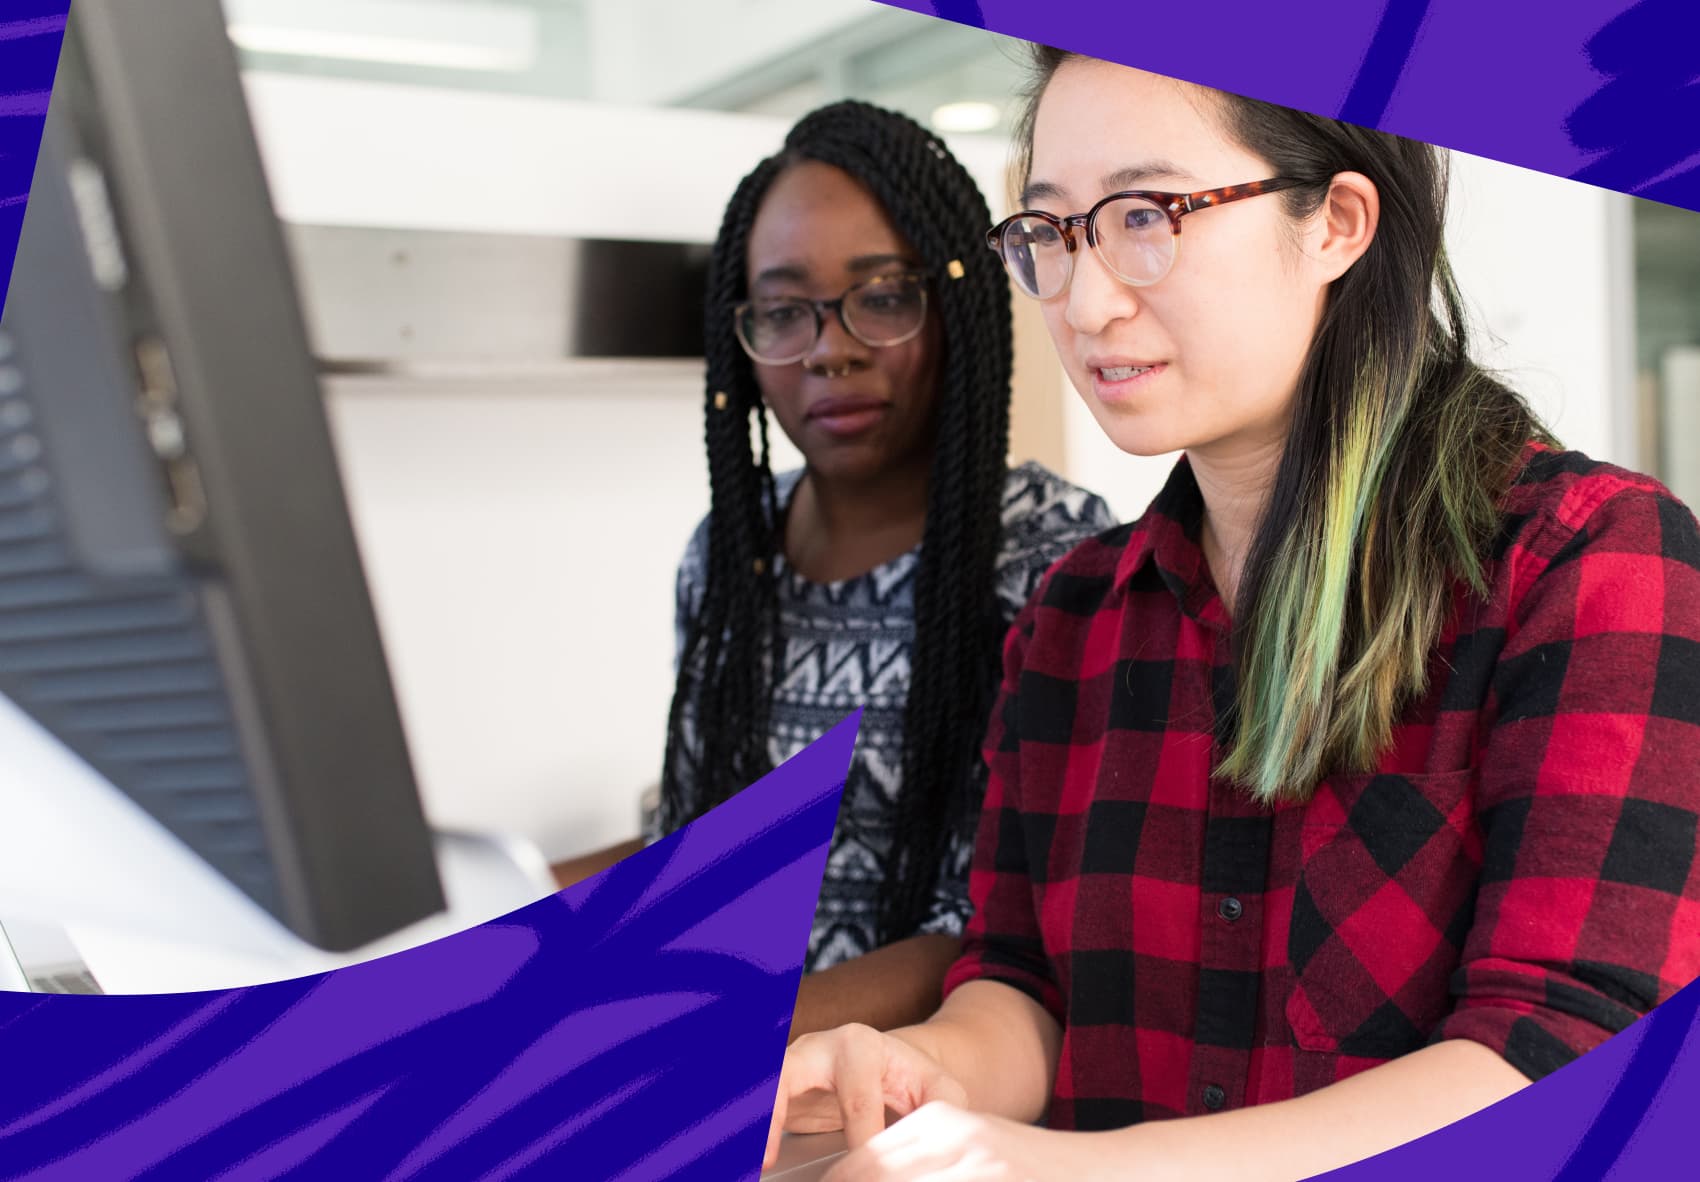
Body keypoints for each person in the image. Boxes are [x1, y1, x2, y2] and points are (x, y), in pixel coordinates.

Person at [764, 46, 1700, 1181]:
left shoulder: (1587, 560)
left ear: (1336, 224)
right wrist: (920, 1080)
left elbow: (1558, 1056)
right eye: (1053, 233)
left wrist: (1043, 1169)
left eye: (1145, 216)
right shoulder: (1073, 613)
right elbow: (1019, 985)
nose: (1086, 298)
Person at [552, 100, 1114, 1041]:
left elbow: (1003, 925)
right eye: (783, 311)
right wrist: (497, 911)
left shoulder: (1053, 557)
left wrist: (739, 1034)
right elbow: (698, 844)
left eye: (884, 296)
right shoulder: (730, 555)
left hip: (926, 1096)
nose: (830, 349)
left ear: (957, 305)